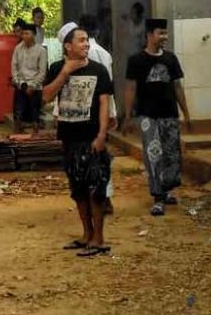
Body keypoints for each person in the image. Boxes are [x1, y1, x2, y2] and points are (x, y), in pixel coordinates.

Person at [43, 22, 113, 257]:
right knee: (78, 190)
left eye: (87, 40)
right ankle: (86, 234)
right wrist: (65, 72)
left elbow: (104, 104)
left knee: (96, 190)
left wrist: (102, 135)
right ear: (68, 46)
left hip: (92, 139)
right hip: (70, 139)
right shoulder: (55, 69)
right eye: (81, 41)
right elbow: (46, 97)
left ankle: (99, 239)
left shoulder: (99, 70)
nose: (86, 44)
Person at [123, 18, 191, 217]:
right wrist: (127, 116)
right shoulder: (136, 61)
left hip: (169, 114)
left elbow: (177, 87)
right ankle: (158, 198)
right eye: (161, 33)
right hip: (147, 115)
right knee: (153, 155)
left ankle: (167, 190)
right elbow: (130, 88)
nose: (164, 37)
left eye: (165, 33)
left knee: (171, 154)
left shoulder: (171, 59)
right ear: (149, 35)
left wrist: (186, 113)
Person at [79, 14, 118, 214]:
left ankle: (98, 197)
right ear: (98, 31)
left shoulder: (84, 54)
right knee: (101, 155)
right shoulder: (105, 53)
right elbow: (109, 87)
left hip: (87, 112)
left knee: (89, 156)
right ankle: (105, 197)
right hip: (103, 110)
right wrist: (112, 113)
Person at [11, 22, 47, 134]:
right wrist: (19, 83)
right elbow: (14, 67)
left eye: (27, 33)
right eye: (23, 34)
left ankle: (35, 138)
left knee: (35, 115)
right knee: (18, 114)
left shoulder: (41, 50)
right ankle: (17, 136)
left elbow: (42, 72)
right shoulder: (18, 48)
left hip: (35, 87)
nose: (24, 36)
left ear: (34, 35)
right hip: (21, 84)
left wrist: (33, 85)